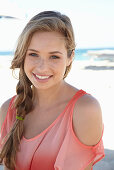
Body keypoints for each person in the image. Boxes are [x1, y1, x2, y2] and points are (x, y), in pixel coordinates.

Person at [0, 11, 105, 170]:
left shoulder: (85, 110)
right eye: (33, 54)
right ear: (23, 56)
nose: (42, 67)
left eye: (54, 56)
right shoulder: (8, 109)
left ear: (70, 57)